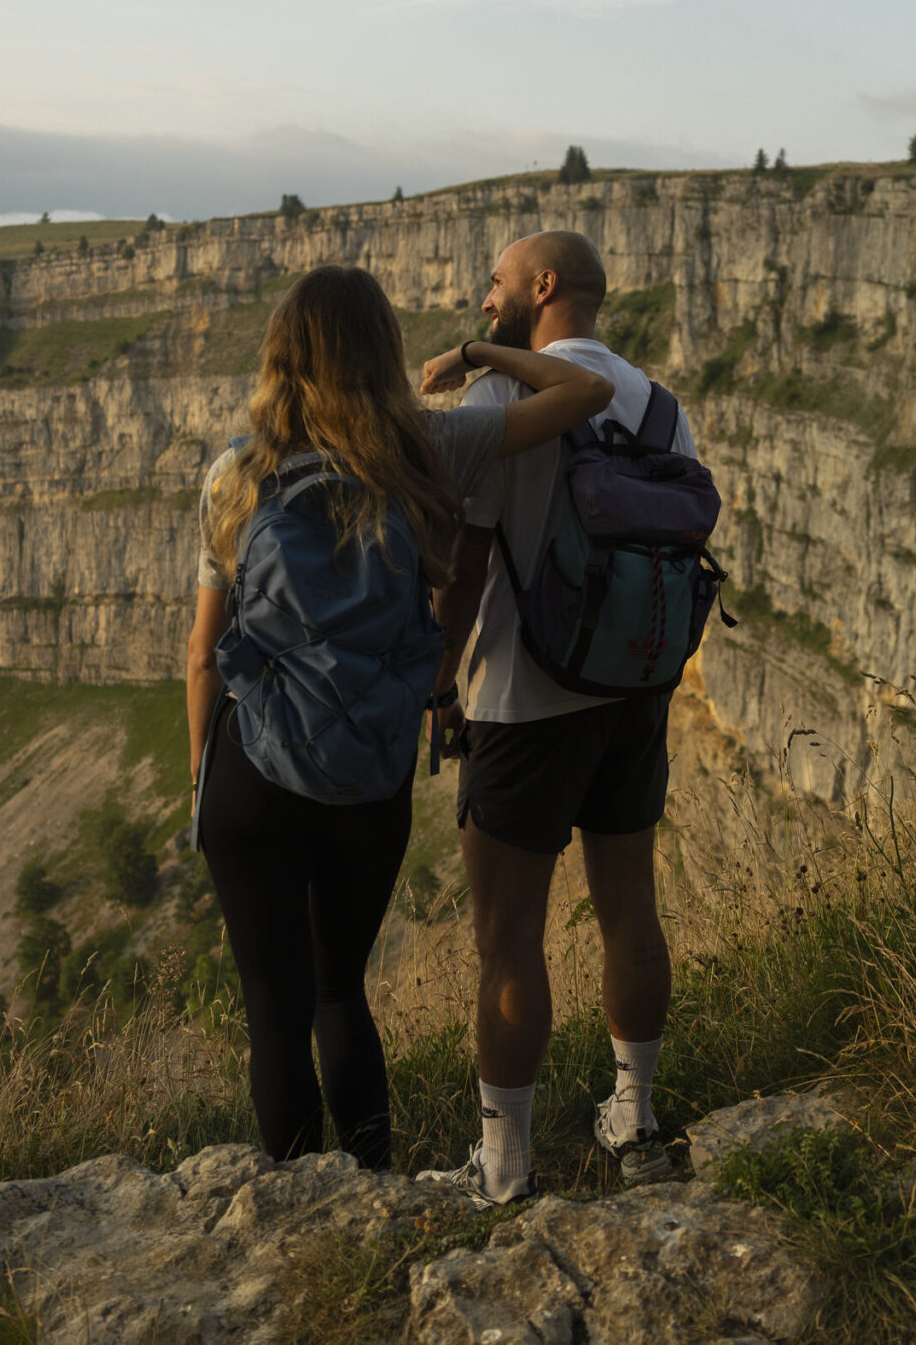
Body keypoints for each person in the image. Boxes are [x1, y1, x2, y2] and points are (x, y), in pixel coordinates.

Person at [183, 263, 614, 1171]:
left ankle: (296, 1214)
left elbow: (202, 653)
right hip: (369, 772)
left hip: (251, 774)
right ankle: (373, 1195)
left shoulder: (237, 469)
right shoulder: (430, 447)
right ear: (382, 355)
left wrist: (203, 784)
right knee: (342, 995)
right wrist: (475, 352)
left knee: (275, 1016)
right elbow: (588, 388)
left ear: (281, 355)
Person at [414, 230, 701, 1204]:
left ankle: (504, 1167)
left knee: (509, 937)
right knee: (631, 909)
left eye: (493, 281)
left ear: (541, 287)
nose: (482, 296)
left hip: (523, 700)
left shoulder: (500, 394)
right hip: (633, 694)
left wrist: (440, 681)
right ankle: (636, 1116)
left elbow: (468, 562)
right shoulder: (664, 407)